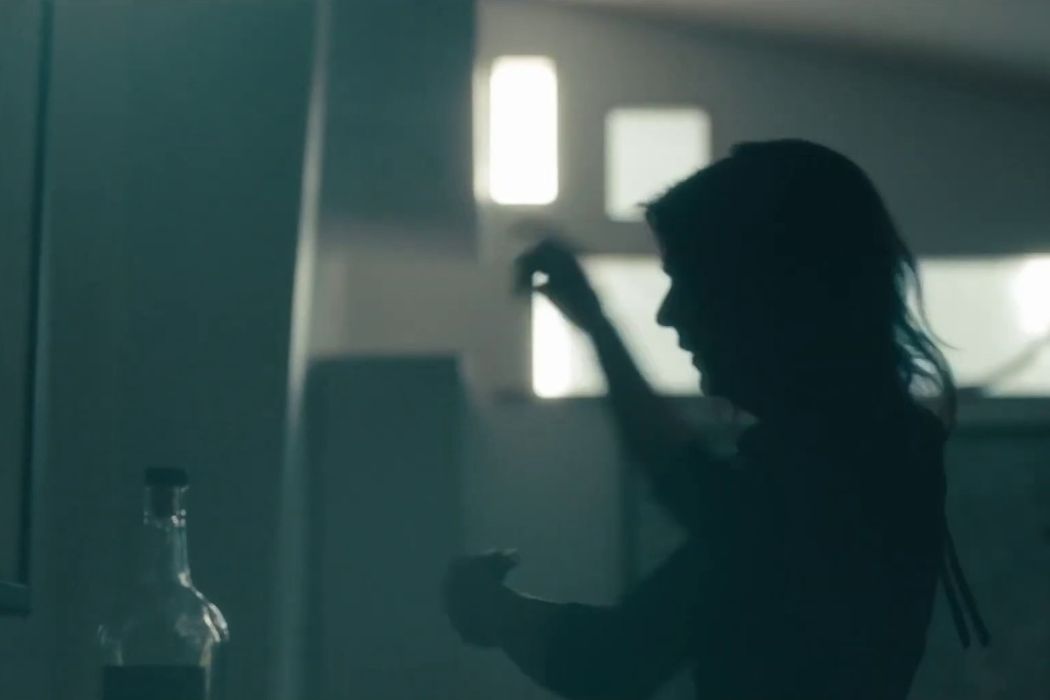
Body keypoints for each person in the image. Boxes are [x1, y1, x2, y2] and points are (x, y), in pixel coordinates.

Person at [443, 139, 988, 699]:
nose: (668, 313)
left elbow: (611, 658)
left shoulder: (832, 479)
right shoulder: (880, 454)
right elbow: (699, 496)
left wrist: (490, 608)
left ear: (762, 293)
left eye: (689, 280)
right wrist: (595, 324)